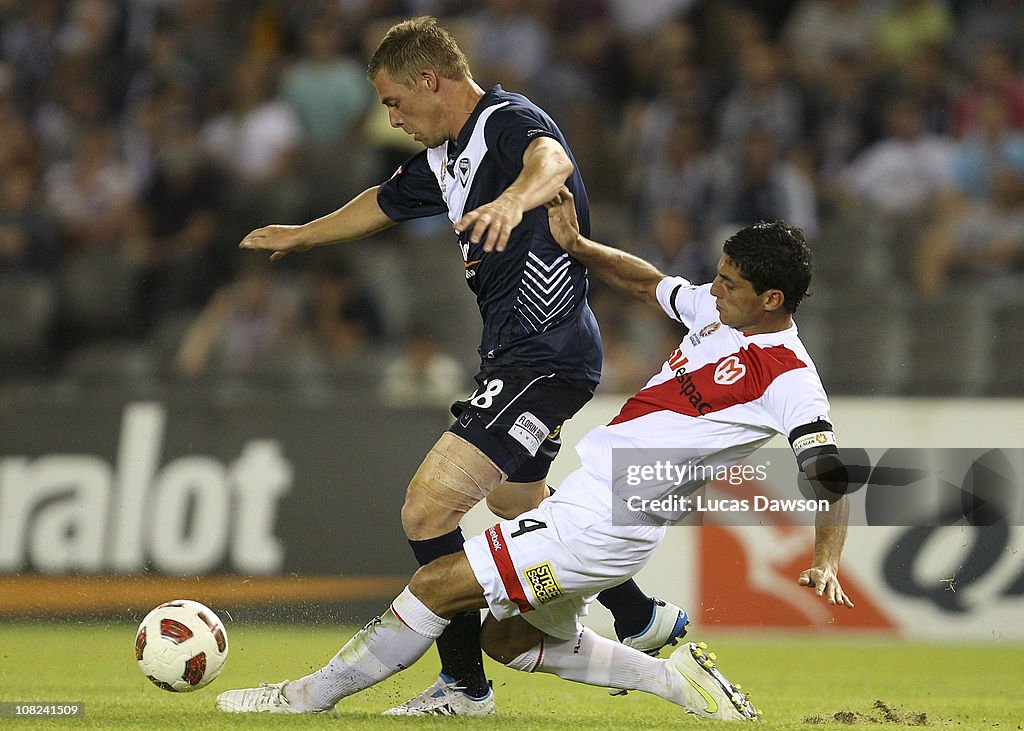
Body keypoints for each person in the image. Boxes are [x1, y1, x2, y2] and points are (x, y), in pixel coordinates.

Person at [214, 199, 853, 721]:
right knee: (507, 639)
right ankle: (680, 681)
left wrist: (824, 558)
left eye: (730, 283)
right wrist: (576, 247)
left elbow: (827, 473)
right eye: (717, 274)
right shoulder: (717, 315)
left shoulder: (790, 376)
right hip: (587, 515)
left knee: (438, 587)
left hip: (599, 526)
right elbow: (647, 283)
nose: (713, 289)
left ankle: (301, 699)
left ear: (772, 299)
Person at [235, 16, 684, 715]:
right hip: (519, 354)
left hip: (544, 353)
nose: (390, 116)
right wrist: (302, 235)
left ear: (430, 80)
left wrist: (512, 198)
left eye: (394, 101)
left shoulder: (506, 122)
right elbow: (381, 204)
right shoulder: (445, 159)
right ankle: (637, 613)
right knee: (516, 506)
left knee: (426, 508)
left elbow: (553, 162)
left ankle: (464, 686)